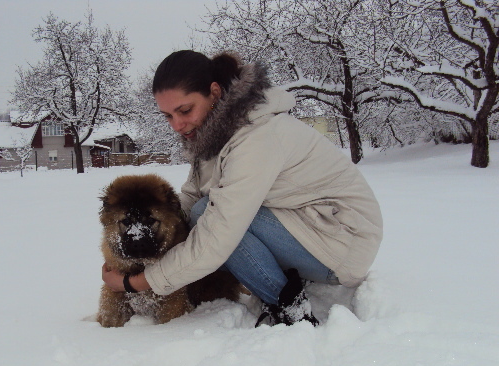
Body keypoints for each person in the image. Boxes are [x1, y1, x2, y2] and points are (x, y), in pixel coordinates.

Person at [102, 50, 383, 327]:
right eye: (167, 116)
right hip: (307, 228)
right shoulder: (216, 133)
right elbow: (190, 196)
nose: (177, 125)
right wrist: (156, 233)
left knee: (210, 219)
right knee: (203, 214)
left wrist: (136, 281)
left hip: (341, 244)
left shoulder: (258, 137)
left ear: (213, 92)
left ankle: (289, 306)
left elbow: (218, 235)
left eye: (185, 110)